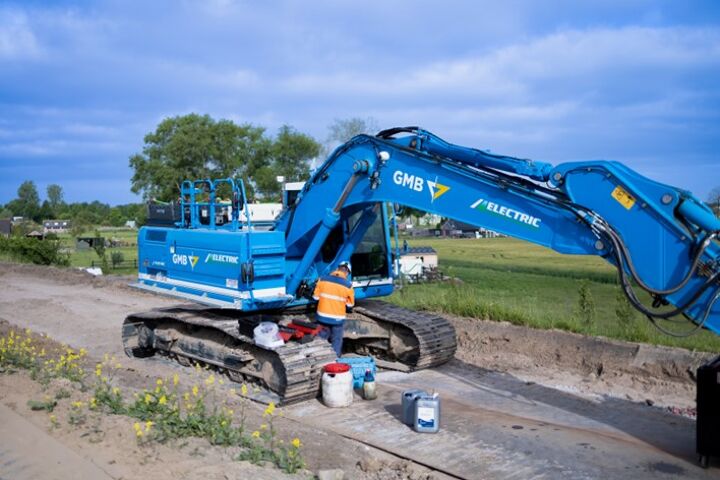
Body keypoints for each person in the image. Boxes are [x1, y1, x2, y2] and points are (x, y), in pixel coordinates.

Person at [313, 261, 355, 357]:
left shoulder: (322, 279)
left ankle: (318, 357)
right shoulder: (348, 286)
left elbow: (315, 297)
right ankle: (334, 360)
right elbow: (350, 304)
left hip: (322, 317)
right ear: (347, 272)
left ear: (338, 268)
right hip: (337, 319)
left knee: (320, 338)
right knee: (336, 340)